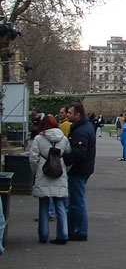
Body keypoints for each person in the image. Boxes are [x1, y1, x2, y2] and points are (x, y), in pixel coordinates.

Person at [29, 114, 71, 244]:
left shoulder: (39, 139)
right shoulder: (63, 139)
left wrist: (36, 172)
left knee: (43, 206)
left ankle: (43, 235)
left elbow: (33, 158)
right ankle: (63, 234)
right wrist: (65, 170)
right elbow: (69, 156)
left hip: (44, 171)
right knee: (60, 205)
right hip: (60, 172)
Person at [63, 102, 96, 241]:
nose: (67, 115)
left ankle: (81, 231)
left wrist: (64, 159)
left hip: (79, 169)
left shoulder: (82, 130)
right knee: (75, 201)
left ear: (77, 115)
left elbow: (79, 153)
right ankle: (73, 230)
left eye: (70, 113)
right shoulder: (83, 127)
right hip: (82, 168)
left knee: (77, 201)